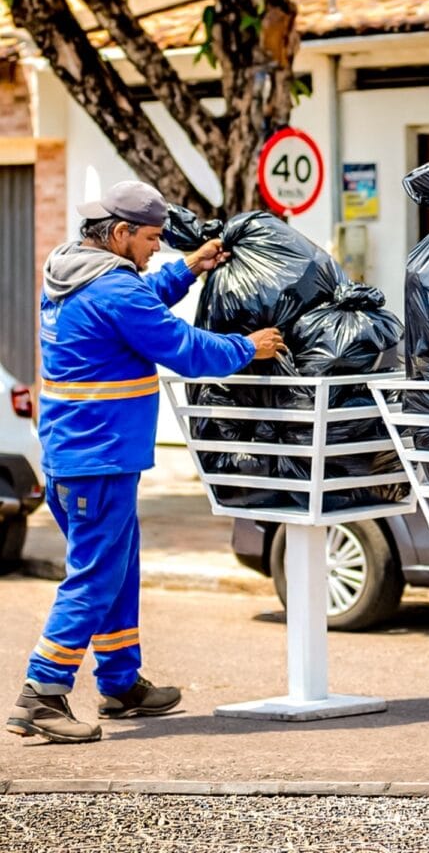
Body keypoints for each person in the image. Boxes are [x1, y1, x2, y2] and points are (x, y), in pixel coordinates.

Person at [6, 180, 287, 744]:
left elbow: (139, 303)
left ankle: (120, 683)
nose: (157, 248)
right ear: (119, 232)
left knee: (117, 570)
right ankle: (42, 692)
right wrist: (246, 347)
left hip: (76, 454)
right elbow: (183, 347)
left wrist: (189, 267)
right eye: (152, 238)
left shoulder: (71, 269)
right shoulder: (113, 290)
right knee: (95, 576)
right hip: (98, 460)